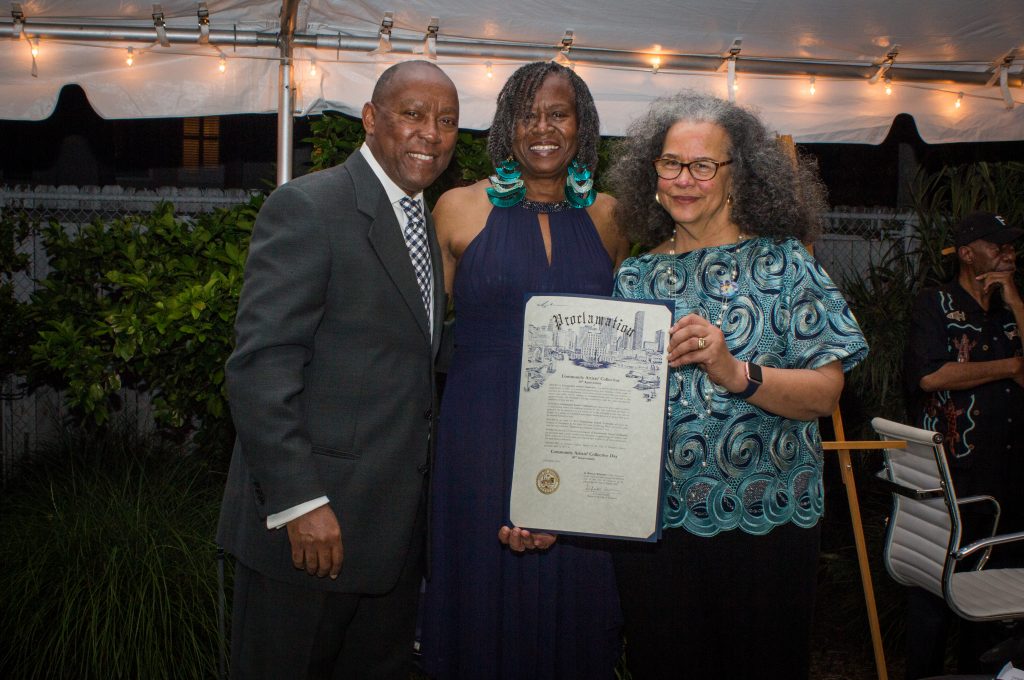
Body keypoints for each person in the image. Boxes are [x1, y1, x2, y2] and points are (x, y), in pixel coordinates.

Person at [605, 90, 868, 680]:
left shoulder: (786, 263)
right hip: (657, 531)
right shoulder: (636, 274)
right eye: (670, 163)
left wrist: (735, 372)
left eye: (703, 165)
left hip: (765, 529)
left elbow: (826, 394)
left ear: (738, 176)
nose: (683, 179)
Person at [216, 60, 458, 679]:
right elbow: (260, 367)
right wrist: (299, 502)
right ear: (372, 120)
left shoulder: (418, 223)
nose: (431, 133)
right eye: (413, 115)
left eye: (447, 121)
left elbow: (404, 356)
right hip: (311, 536)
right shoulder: (309, 206)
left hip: (390, 536)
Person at [420, 61, 630, 679]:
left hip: (578, 436)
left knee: (575, 595)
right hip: (479, 431)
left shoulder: (612, 218)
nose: (542, 127)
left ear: (582, 126)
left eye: (558, 113)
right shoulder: (458, 208)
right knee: (481, 588)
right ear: (506, 126)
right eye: (527, 114)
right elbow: (421, 334)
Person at [902, 210, 1024, 679]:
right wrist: (1010, 367)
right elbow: (930, 375)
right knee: (934, 593)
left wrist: (1015, 302)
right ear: (969, 254)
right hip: (951, 479)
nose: (1008, 253)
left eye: (1012, 245)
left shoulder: (1011, 308)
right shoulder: (935, 304)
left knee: (994, 597)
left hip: (1007, 478)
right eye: (998, 245)